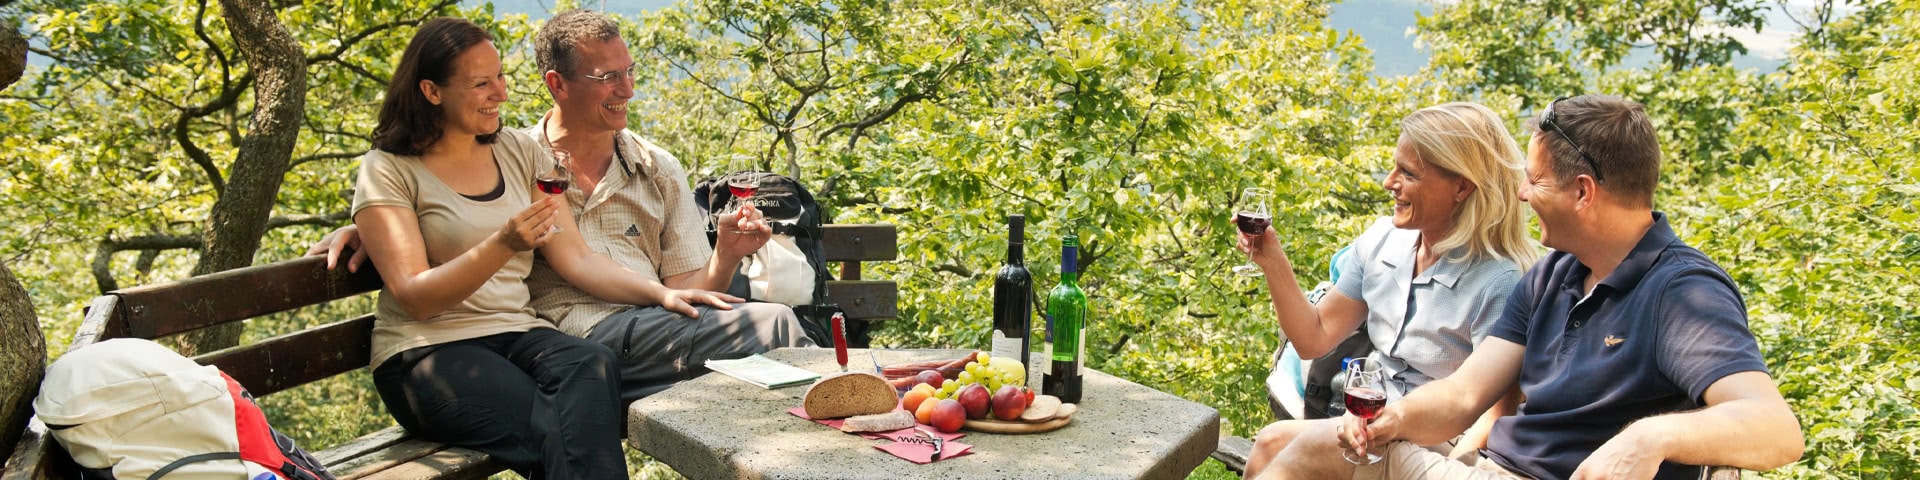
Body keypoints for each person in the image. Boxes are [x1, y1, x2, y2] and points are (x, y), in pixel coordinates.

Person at [314, 9, 814, 405]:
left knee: (768, 350)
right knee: (772, 328)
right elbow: (442, 197)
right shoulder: (516, 155)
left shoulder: (656, 167)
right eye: (608, 77)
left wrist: (724, 257)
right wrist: (363, 226)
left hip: (646, 333)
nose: (628, 90)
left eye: (630, 72)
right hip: (567, 337)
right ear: (557, 84)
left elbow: (683, 291)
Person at [1303, 94, 1804, 480]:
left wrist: (1652, 437)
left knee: (1299, 454)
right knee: (1292, 450)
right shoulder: (1553, 274)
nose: (1521, 194)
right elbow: (1462, 396)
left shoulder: (1681, 292)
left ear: (1583, 191)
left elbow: (1777, 430)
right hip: (1492, 469)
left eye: (1535, 181)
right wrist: (1395, 417)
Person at [350, 17, 752, 478]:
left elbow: (576, 257)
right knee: (559, 426)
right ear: (431, 91)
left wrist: (662, 294)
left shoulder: (519, 151)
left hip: (516, 335)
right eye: (481, 84)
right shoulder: (388, 169)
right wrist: (502, 244)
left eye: (500, 77)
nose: (501, 93)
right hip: (428, 352)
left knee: (591, 364)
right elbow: (417, 299)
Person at [1235, 102, 1540, 479]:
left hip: (1434, 441)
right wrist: (1272, 261)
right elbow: (1313, 338)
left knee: (1289, 451)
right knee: (1270, 442)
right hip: (1368, 423)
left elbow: (1495, 416)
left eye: (1408, 173)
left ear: (1461, 187)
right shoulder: (1384, 241)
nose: (1389, 181)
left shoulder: (1499, 282)